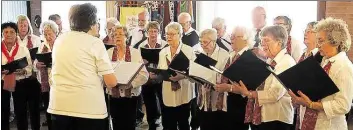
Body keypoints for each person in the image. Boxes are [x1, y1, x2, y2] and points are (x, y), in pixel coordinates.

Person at [48, 3, 118, 130]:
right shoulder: (95, 43)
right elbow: (111, 82)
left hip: (59, 106)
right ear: (91, 23)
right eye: (97, 21)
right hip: (89, 109)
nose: (98, 25)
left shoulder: (60, 40)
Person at [289, 17, 353, 130]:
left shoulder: (343, 66)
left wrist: (311, 104)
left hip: (329, 126)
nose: (318, 45)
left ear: (335, 41)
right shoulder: (323, 60)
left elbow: (343, 105)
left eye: (321, 41)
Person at [232, 25, 296, 130]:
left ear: (279, 42)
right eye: (262, 41)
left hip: (277, 118)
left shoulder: (286, 62)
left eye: (266, 40)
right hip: (263, 116)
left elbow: (275, 94)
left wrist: (249, 93)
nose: (262, 44)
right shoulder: (270, 61)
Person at [107, 25, 149, 130]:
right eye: (115, 34)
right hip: (114, 95)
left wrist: (130, 83)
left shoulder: (134, 53)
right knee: (116, 124)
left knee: (129, 124)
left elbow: (144, 75)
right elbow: (103, 74)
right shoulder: (108, 53)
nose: (117, 36)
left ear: (127, 37)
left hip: (131, 95)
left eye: (121, 34)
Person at [157, 22, 196, 130]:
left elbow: (194, 72)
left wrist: (181, 76)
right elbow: (162, 69)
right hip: (168, 92)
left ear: (180, 34)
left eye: (172, 34)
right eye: (167, 34)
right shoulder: (163, 52)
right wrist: (158, 74)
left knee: (184, 123)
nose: (168, 37)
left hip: (184, 91)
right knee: (169, 124)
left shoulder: (188, 50)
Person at [215, 26, 254, 130]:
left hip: (240, 107)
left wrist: (229, 87)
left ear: (245, 40)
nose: (231, 39)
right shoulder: (232, 55)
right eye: (231, 36)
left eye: (234, 36)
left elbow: (248, 87)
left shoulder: (250, 57)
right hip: (227, 104)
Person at [2, 21, 35, 130]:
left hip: (20, 84)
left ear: (16, 33)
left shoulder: (23, 49)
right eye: (6, 32)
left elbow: (30, 67)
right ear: (2, 34)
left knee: (21, 113)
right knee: (3, 113)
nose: (9, 34)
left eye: (12, 32)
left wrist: (23, 71)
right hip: (2, 85)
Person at [134, 21, 166, 130]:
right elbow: (136, 62)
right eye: (151, 31)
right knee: (149, 101)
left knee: (163, 100)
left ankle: (165, 122)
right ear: (147, 32)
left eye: (155, 31)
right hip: (147, 77)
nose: (153, 34)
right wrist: (142, 61)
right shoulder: (141, 45)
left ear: (159, 32)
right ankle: (152, 123)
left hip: (161, 77)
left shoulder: (164, 44)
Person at [197, 28, 229, 130]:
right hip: (203, 96)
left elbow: (226, 76)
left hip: (218, 98)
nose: (202, 45)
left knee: (217, 125)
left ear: (214, 41)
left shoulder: (225, 55)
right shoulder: (200, 53)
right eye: (201, 42)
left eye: (205, 42)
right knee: (204, 125)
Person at [290, 21, 318, 130]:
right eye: (305, 31)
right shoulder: (303, 54)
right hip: (301, 104)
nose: (306, 33)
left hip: (313, 106)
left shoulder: (319, 56)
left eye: (310, 31)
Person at [34, 20, 59, 130]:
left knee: (59, 113)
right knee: (48, 110)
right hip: (46, 85)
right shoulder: (42, 46)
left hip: (59, 85)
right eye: (45, 34)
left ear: (55, 32)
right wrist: (37, 64)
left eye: (50, 33)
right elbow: (35, 61)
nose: (48, 36)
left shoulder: (60, 45)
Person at [178, 12, 201, 130]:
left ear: (189, 22)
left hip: (192, 69)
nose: (181, 26)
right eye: (180, 24)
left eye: (183, 24)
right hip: (179, 69)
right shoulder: (178, 34)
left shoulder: (196, 35)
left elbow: (197, 53)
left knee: (193, 98)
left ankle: (195, 123)